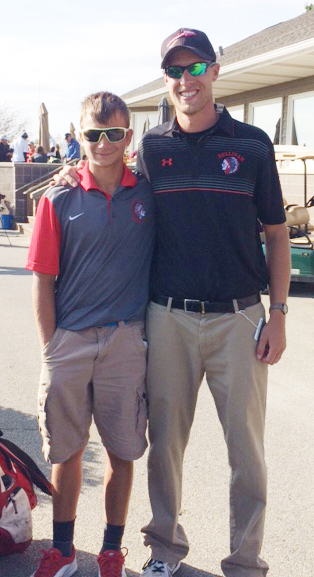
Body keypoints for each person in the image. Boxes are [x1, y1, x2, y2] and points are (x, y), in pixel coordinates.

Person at [52, 28, 291, 577]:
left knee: (247, 455)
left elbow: (277, 234)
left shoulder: (253, 145)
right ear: (167, 79)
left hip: (240, 317)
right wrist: (71, 171)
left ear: (214, 71)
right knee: (165, 447)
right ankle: (163, 551)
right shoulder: (152, 147)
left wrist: (277, 314)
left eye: (196, 68)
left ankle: (245, 561)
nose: (187, 80)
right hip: (167, 317)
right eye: (176, 71)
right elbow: (103, 168)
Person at [26, 91, 155, 577]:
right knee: (68, 450)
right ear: (79, 136)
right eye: (94, 135)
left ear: (129, 137)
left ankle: (110, 549)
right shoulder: (58, 197)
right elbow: (41, 277)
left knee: (123, 450)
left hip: (126, 340)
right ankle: (62, 550)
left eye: (115, 134)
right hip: (71, 341)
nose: (104, 144)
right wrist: (51, 346)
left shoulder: (146, 193)